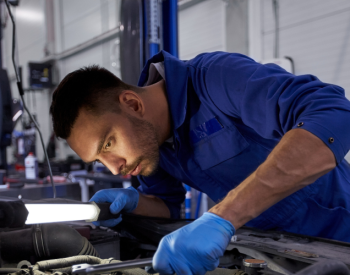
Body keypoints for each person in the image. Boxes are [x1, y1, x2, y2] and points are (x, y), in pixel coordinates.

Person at [50, 51, 350, 275]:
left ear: (132, 104)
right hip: (271, 253)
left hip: (340, 236)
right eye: (99, 159)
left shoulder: (216, 78)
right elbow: (168, 206)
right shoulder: (152, 148)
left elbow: (333, 114)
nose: (114, 168)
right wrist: (131, 203)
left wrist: (224, 216)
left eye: (107, 144)